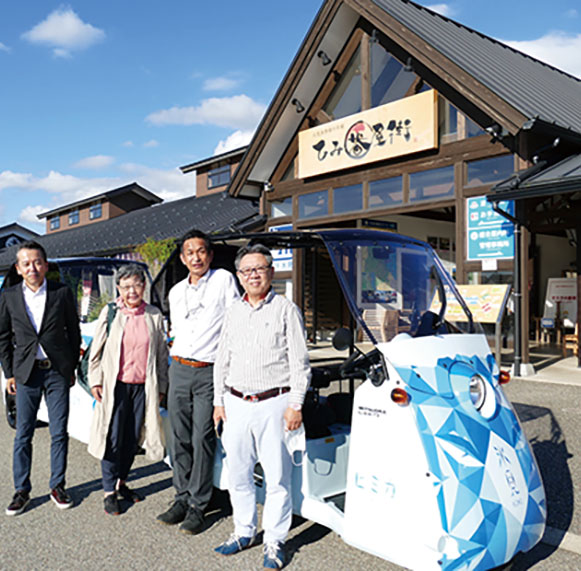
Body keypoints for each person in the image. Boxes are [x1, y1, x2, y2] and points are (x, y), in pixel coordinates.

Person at [213, 244, 310, 569]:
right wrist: (218, 401)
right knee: (238, 473)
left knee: (277, 477)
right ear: (239, 276)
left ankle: (274, 540)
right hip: (235, 402)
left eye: (259, 268)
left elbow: (300, 364)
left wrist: (296, 404)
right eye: (246, 270)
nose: (253, 275)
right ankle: (243, 531)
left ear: (271, 271)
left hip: (275, 403)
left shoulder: (285, 309)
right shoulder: (233, 310)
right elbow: (221, 359)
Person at [157, 229, 239, 534]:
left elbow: (234, 322)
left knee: (202, 436)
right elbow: (175, 330)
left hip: (209, 370)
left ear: (210, 254)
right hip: (178, 367)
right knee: (177, 435)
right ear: (182, 257)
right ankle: (181, 495)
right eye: (189, 252)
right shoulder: (176, 291)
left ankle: (198, 504)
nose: (196, 257)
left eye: (201, 251)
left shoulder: (223, 280)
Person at [0, 241, 81, 516]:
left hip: (57, 372)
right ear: (18, 268)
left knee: (59, 432)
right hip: (26, 373)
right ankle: (22, 490)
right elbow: (2, 336)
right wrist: (9, 372)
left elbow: (74, 330)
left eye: (37, 262)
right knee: (23, 434)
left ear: (45, 265)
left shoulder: (61, 293)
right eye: (26, 263)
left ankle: (57, 485)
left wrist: (71, 367)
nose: (32, 267)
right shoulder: (9, 296)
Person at [87, 264, 169, 515]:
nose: (132, 291)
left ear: (144, 286)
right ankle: (109, 491)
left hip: (143, 388)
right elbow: (96, 351)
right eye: (126, 286)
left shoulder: (154, 315)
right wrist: (95, 381)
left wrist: (162, 386)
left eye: (137, 284)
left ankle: (122, 482)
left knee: (133, 438)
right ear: (119, 289)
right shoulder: (111, 312)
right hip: (116, 387)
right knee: (112, 438)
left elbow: (161, 354)